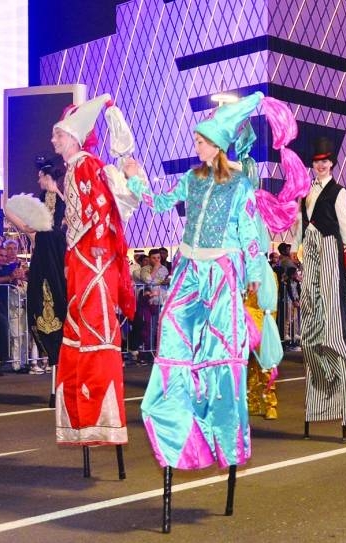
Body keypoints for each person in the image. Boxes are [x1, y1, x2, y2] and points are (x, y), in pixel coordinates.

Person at [128, 92, 285, 468]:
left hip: (221, 272)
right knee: (173, 335)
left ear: (217, 145)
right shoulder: (190, 178)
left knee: (220, 353)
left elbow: (247, 231)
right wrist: (136, 181)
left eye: (200, 141)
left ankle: (224, 435)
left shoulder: (238, 184)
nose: (195, 145)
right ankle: (178, 424)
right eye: (196, 140)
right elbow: (162, 203)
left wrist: (252, 274)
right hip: (188, 270)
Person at [51, 93, 136, 447]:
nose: (53, 140)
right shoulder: (76, 168)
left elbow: (98, 215)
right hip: (85, 265)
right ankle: (84, 422)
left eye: (57, 134)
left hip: (92, 266)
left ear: (71, 136)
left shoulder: (86, 165)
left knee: (95, 336)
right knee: (81, 337)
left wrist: (84, 253)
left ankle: (101, 421)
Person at [289, 136, 346, 432]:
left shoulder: (338, 191)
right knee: (310, 311)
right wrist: (295, 243)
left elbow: (344, 224)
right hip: (311, 247)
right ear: (313, 164)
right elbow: (300, 222)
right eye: (317, 162)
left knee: (330, 311)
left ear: (331, 164)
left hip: (329, 245)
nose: (321, 165)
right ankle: (319, 378)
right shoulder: (306, 191)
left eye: (325, 162)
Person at [4, 155, 68, 376]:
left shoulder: (50, 195)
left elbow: (41, 227)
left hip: (48, 253)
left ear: (46, 176)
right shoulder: (60, 196)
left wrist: (15, 219)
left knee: (46, 295)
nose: (37, 180)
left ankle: (53, 347)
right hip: (53, 249)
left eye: (39, 177)